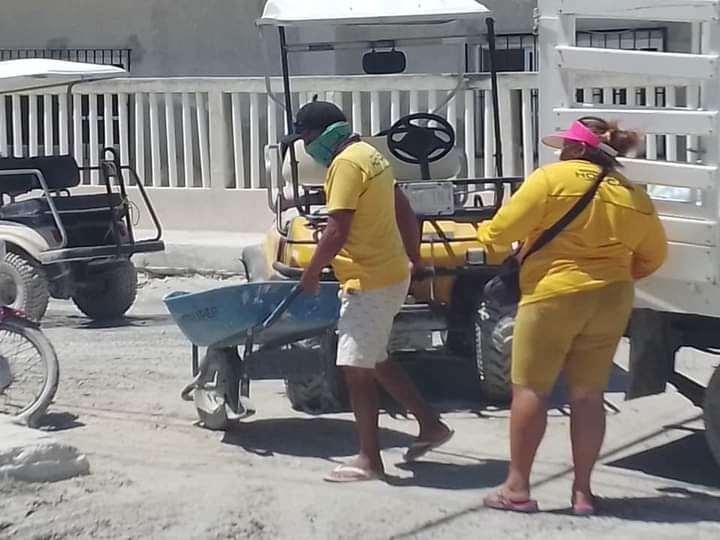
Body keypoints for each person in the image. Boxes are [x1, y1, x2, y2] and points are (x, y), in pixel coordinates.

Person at [477, 117, 668, 514]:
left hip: (553, 295)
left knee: (530, 390)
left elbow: (499, 233)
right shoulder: (632, 193)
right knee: (588, 395)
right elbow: (655, 255)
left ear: (579, 149)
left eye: (565, 146)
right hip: (612, 298)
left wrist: (488, 237)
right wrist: (612, 274)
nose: (561, 152)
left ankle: (517, 489)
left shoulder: (551, 179)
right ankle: (583, 492)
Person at [290, 100, 453, 483]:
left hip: (369, 282)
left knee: (355, 369)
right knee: (375, 358)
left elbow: (337, 229)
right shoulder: (370, 155)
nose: (305, 145)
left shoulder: (345, 165)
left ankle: (369, 460)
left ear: (322, 134)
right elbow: (404, 210)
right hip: (390, 273)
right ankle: (430, 425)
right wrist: (414, 258)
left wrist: (311, 272)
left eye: (306, 137)